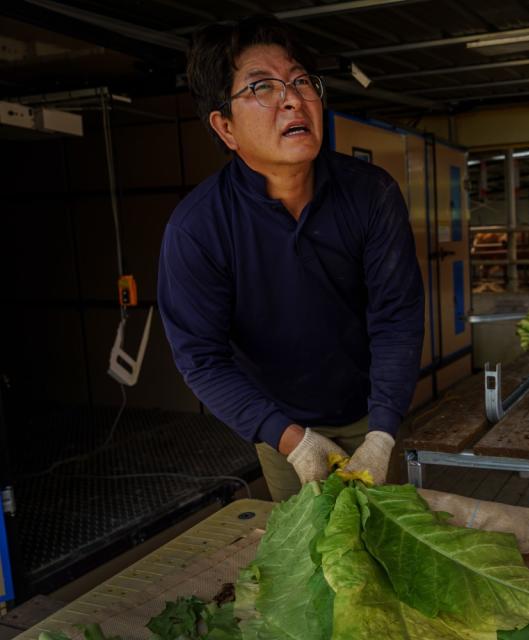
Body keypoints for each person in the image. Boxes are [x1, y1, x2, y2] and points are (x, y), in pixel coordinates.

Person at [157, 15, 424, 502]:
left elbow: (396, 316)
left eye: (301, 80)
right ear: (225, 126)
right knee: (311, 553)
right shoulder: (197, 229)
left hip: (372, 406)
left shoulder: (370, 193)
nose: (293, 98)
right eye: (262, 87)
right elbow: (201, 358)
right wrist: (289, 439)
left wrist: (383, 432)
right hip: (283, 423)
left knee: (390, 543)